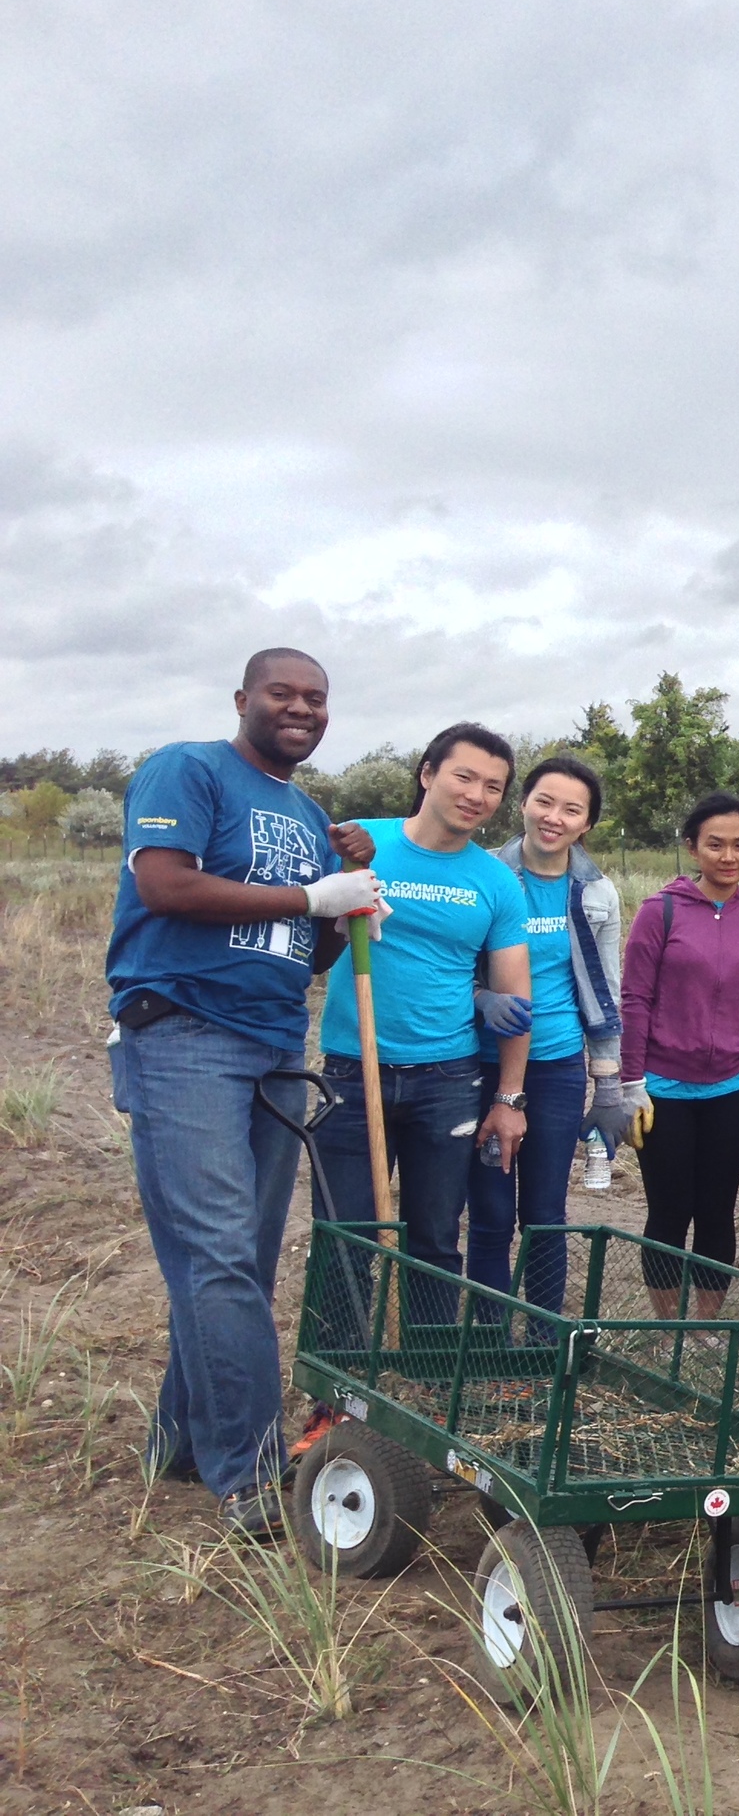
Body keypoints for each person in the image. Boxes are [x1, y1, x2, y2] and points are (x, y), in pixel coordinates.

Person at [105, 648, 381, 1536]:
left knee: (238, 1262)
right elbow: (165, 883)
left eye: (317, 699)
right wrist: (310, 895)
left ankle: (182, 1442)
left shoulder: (309, 812)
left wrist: (341, 911)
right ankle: (251, 1472)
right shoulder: (190, 768)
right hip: (183, 1033)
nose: (302, 709)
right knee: (220, 1253)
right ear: (244, 699)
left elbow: (310, 953)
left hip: (271, 1043)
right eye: (284, 693)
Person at [312, 723, 532, 1334]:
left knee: (435, 1239)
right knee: (345, 1237)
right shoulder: (361, 843)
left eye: (492, 787)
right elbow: (308, 930)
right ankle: (340, 1382)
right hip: (352, 1075)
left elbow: (517, 994)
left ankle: (427, 1376)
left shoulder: (494, 880)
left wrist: (509, 1096)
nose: (476, 795)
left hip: (448, 1080)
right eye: (463, 776)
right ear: (428, 773)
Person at [618, 792, 739, 1319]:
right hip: (662, 1089)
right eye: (714, 845)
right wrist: (631, 1083)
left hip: (730, 1090)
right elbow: (635, 1000)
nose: (728, 856)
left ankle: (705, 1327)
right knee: (670, 1210)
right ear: (692, 848)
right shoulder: (660, 911)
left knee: (717, 1210)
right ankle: (668, 1324)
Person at [464, 754, 627, 1320]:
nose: (554, 817)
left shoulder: (598, 893)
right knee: (487, 1210)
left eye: (571, 810)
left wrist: (609, 1086)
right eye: (544, 801)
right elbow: (452, 967)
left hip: (558, 1065)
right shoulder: (482, 874)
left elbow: (607, 992)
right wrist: (479, 999)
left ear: (587, 824)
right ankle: (485, 1339)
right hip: (480, 1063)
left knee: (544, 1212)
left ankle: (541, 1339)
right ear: (524, 804)